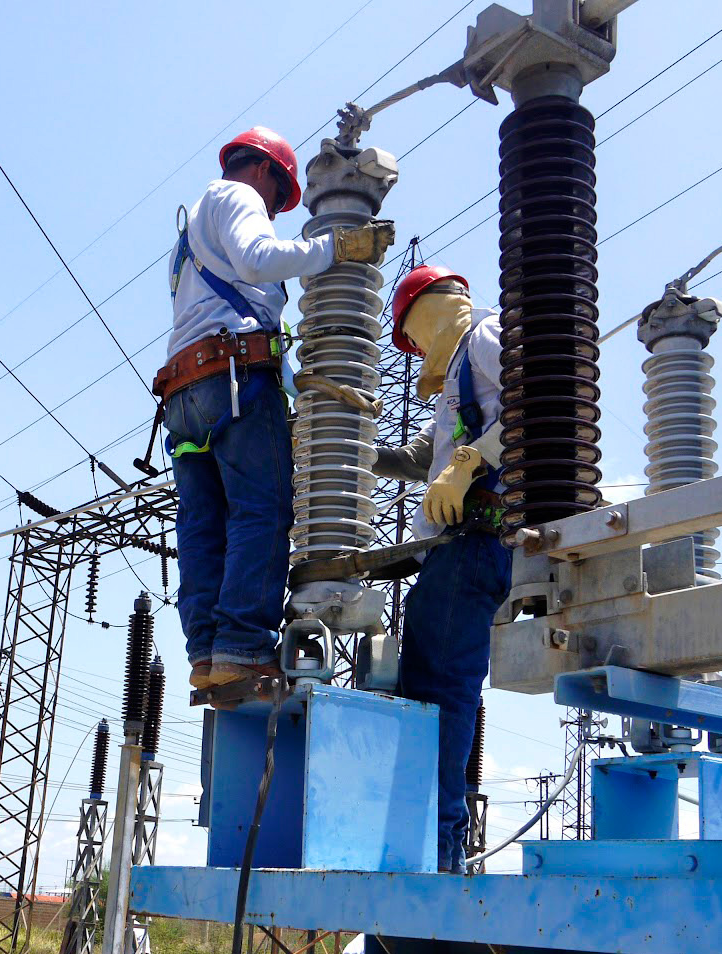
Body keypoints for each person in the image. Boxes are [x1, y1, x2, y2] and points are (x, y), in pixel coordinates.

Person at [157, 125, 394, 690]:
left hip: (186, 391)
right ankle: (241, 646)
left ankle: (208, 654)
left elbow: (230, 305)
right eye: (279, 198)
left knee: (202, 526)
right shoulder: (235, 195)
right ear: (265, 171)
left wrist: (296, 380)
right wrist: (336, 247)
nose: (273, 211)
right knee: (260, 513)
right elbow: (261, 258)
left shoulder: (187, 240)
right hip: (235, 381)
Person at [370, 265, 511, 874]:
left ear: (427, 309)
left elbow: (540, 404)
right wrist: (358, 450)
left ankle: (439, 852)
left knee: (437, 693)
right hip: (460, 547)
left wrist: (472, 460)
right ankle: (435, 842)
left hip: (475, 538)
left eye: (413, 338)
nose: (417, 352)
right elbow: (424, 459)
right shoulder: (457, 379)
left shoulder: (485, 337)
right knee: (434, 688)